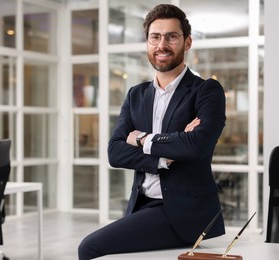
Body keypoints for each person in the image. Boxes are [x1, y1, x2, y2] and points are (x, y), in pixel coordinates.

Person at [78, 4, 226, 259]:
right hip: (140, 205)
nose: (162, 44)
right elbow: (115, 152)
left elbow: (197, 146)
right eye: (155, 37)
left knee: (89, 247)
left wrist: (143, 139)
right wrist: (166, 156)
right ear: (147, 42)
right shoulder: (136, 94)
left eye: (171, 36)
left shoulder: (206, 91)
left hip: (182, 212)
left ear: (187, 42)